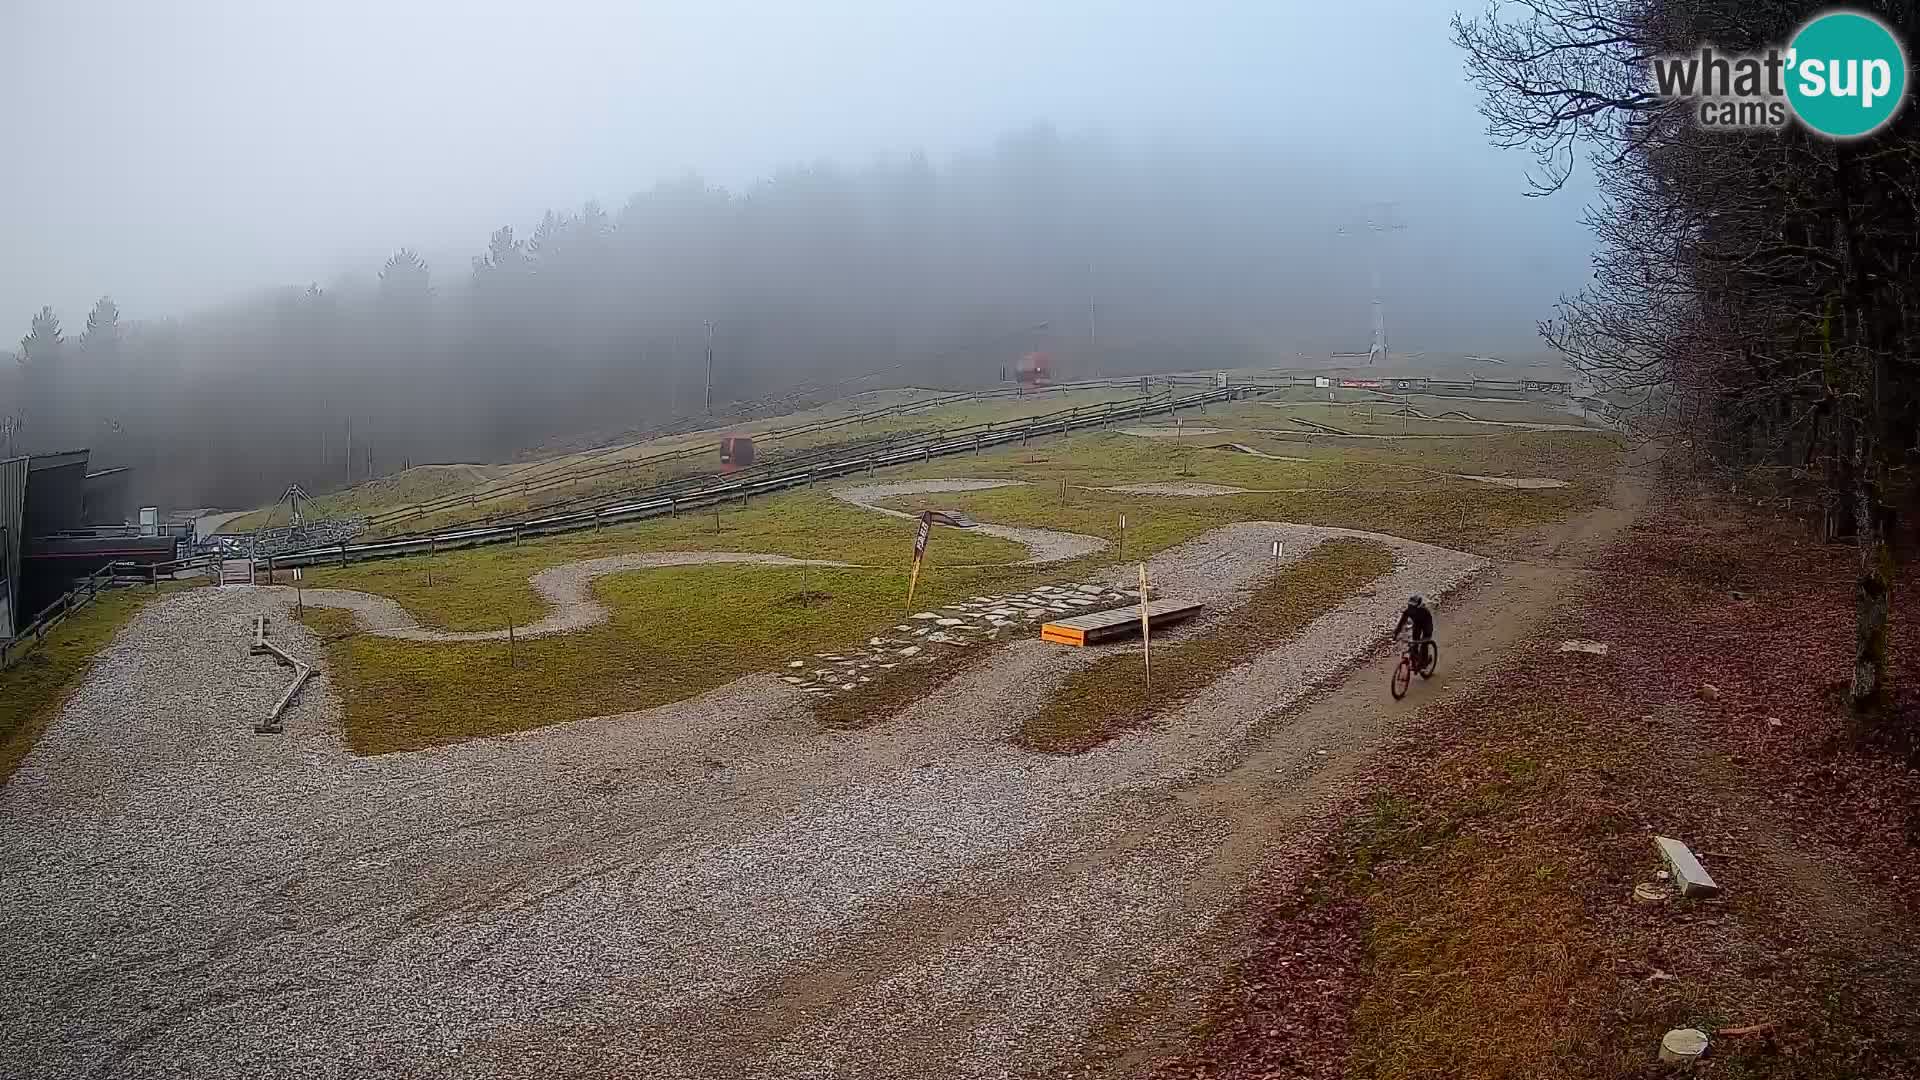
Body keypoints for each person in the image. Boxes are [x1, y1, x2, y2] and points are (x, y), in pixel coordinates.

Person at [1393, 594, 1435, 672]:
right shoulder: (1408, 611)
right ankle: (1415, 661)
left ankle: (1425, 661)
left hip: (1426, 624)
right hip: (1417, 624)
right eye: (1409, 606)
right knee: (1414, 643)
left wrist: (1426, 638)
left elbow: (1429, 626)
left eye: (1413, 607)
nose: (1410, 609)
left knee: (1424, 643)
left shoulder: (1425, 612)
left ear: (1418, 607)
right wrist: (1395, 634)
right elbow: (1401, 623)